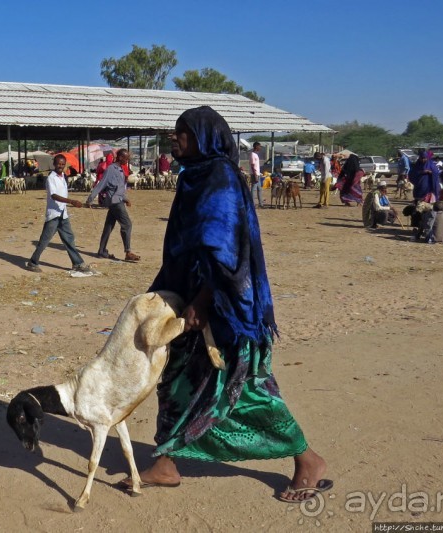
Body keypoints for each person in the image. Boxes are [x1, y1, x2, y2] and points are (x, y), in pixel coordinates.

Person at [123, 106, 331, 503]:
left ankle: (307, 459)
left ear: (204, 137)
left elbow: (224, 248)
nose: (174, 138)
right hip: (189, 297)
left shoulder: (217, 178)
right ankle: (166, 463)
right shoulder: (194, 177)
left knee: (242, 389)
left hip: (223, 306)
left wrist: (204, 299)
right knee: (175, 379)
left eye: (182, 133)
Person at [26, 154, 92, 274]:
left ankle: (77, 263)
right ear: (54, 164)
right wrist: (71, 201)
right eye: (58, 164)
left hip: (62, 213)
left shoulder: (63, 177)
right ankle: (33, 262)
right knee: (45, 240)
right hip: (54, 214)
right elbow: (54, 195)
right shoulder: (52, 178)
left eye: (62, 164)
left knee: (69, 239)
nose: (60, 166)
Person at [85, 149, 140, 262]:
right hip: (115, 203)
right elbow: (102, 184)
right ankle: (128, 252)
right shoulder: (111, 169)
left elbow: (119, 188)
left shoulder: (120, 169)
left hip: (118, 200)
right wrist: (90, 198)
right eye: (126, 158)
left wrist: (125, 199)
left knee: (109, 226)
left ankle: (101, 251)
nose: (127, 160)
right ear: (120, 157)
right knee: (127, 224)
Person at [249, 142, 264, 208]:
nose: (260, 147)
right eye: (259, 146)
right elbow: (252, 165)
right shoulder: (252, 155)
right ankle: (252, 203)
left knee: (259, 189)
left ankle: (261, 203)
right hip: (254, 174)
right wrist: (255, 174)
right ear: (256, 147)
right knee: (254, 189)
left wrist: (258, 174)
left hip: (257, 174)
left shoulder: (256, 155)